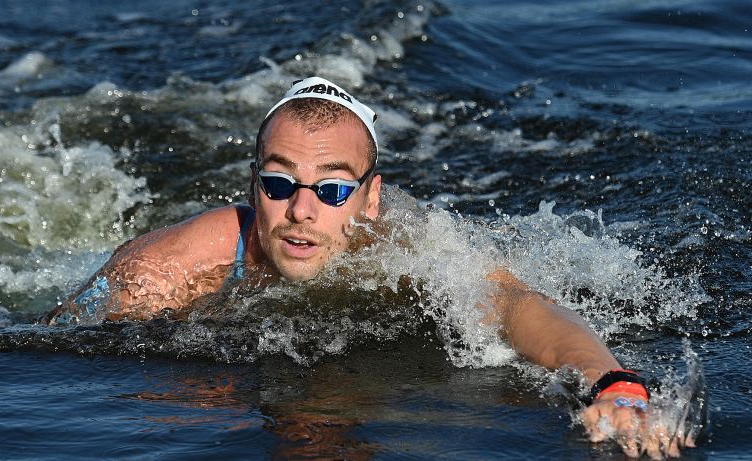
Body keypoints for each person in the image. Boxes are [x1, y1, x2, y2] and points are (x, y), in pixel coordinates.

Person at [44, 76, 693, 459]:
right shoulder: (185, 257)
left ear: (369, 199)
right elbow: (77, 338)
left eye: (330, 190)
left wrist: (613, 383)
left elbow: (516, 303)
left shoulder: (404, 249)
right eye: (278, 184)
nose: (301, 211)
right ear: (251, 186)